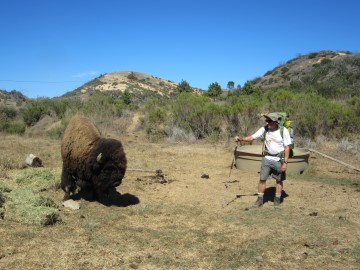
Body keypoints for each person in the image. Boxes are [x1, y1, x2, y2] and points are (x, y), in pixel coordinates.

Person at [234, 112, 291, 209]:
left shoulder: (283, 131)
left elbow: (287, 147)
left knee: (279, 180)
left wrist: (285, 163)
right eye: (267, 120)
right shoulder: (264, 129)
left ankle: (277, 200)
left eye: (269, 121)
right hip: (266, 159)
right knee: (262, 179)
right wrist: (241, 139)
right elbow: (252, 137)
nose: (267, 122)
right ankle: (259, 200)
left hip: (279, 160)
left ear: (275, 121)